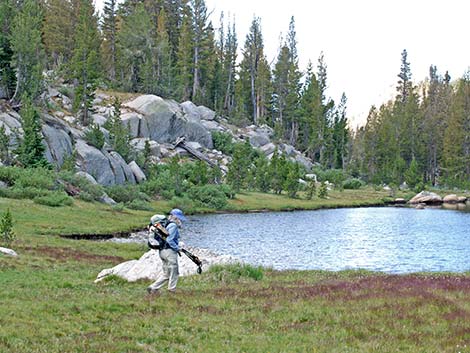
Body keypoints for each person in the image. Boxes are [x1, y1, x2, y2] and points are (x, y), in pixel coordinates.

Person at [147, 208, 187, 295]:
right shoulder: (173, 226)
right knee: (174, 272)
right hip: (169, 252)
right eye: (179, 218)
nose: (180, 220)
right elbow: (170, 240)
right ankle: (172, 290)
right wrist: (177, 248)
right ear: (175, 217)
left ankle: (153, 287)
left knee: (166, 273)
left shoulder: (164, 225)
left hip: (162, 251)